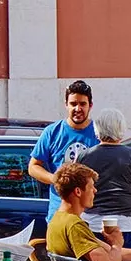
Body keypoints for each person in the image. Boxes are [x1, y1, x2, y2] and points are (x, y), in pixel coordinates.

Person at [75, 108, 131, 246]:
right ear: (122, 128)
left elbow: (75, 194)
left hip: (91, 223)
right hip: (126, 225)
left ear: (97, 129)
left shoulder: (83, 157)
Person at [47, 162, 131, 261]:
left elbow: (112, 253)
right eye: (91, 186)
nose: (95, 190)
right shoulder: (74, 226)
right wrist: (116, 244)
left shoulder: (58, 219)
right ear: (78, 192)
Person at [28, 81, 99, 224]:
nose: (78, 108)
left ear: (90, 105)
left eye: (82, 104)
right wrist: (54, 179)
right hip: (59, 215)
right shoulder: (52, 132)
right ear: (66, 104)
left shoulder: (100, 133)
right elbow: (33, 167)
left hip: (93, 217)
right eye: (73, 104)